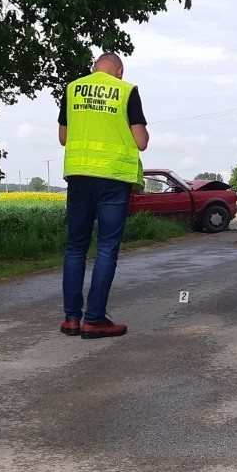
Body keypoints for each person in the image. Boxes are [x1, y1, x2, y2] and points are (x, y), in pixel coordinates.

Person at [57, 53, 149, 339]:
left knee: (75, 247)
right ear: (119, 71)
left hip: (79, 175)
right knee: (107, 248)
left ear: (93, 69)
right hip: (113, 178)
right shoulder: (126, 91)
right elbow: (141, 142)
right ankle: (94, 319)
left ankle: (72, 319)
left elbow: (63, 137)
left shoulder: (72, 89)